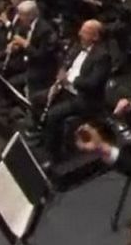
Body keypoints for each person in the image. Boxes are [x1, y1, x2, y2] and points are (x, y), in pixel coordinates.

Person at [34, 19, 110, 163]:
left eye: (85, 32)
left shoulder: (103, 56)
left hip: (85, 99)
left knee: (53, 115)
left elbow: (93, 84)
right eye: (81, 30)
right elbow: (66, 65)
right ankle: (44, 134)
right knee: (37, 99)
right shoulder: (77, 47)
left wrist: (69, 81)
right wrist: (57, 84)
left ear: (96, 37)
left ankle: (55, 156)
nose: (80, 34)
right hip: (66, 89)